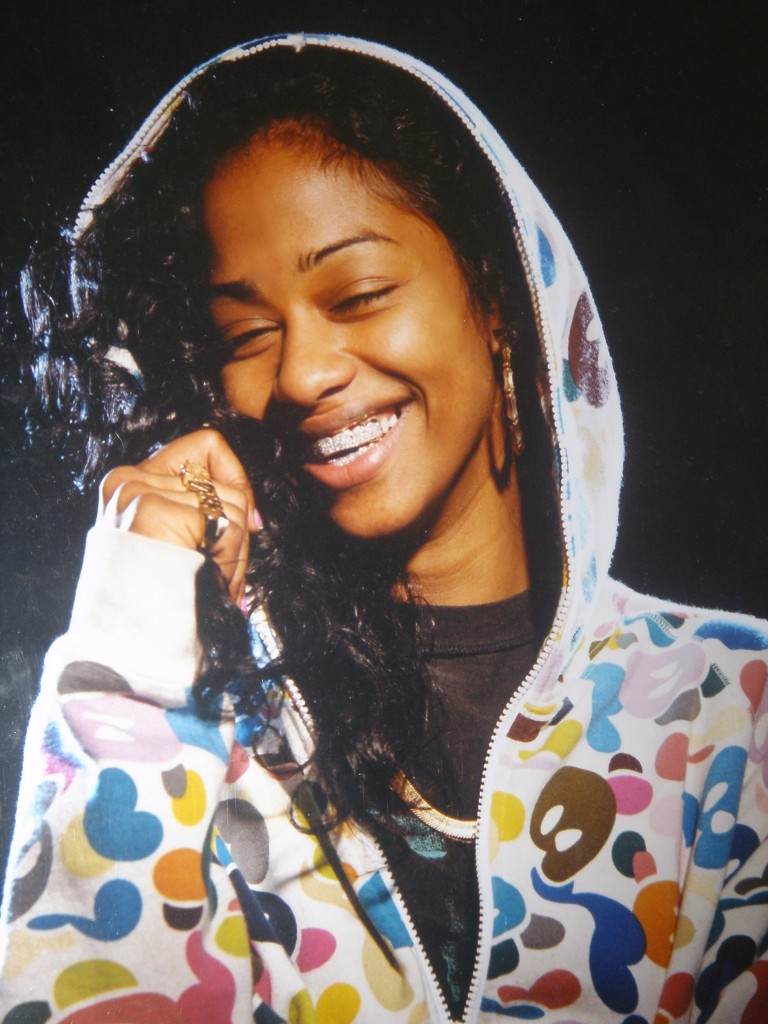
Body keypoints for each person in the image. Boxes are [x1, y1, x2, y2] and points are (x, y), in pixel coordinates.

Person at [1, 32, 766, 1024]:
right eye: (246, 333)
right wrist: (130, 633)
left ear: (496, 298)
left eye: (358, 295)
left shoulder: (733, 714)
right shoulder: (202, 734)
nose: (302, 373)